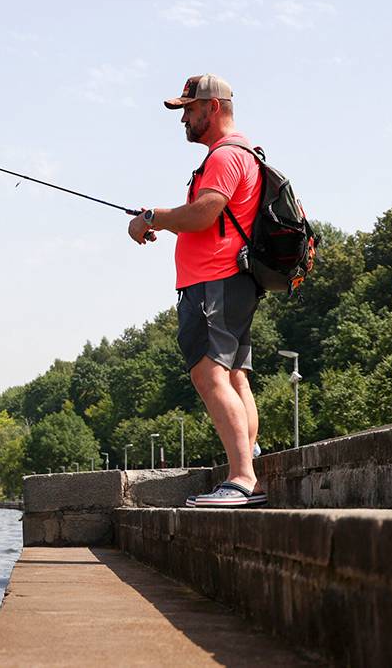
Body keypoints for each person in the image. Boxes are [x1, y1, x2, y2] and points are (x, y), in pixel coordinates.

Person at [126, 74, 266, 508]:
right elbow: (207, 220)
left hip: (214, 282)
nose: (184, 118)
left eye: (189, 108)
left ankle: (242, 478)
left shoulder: (225, 156)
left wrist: (153, 216)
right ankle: (247, 463)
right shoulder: (241, 153)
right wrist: (164, 220)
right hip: (231, 281)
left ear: (213, 107)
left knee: (209, 374)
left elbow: (204, 214)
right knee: (235, 375)